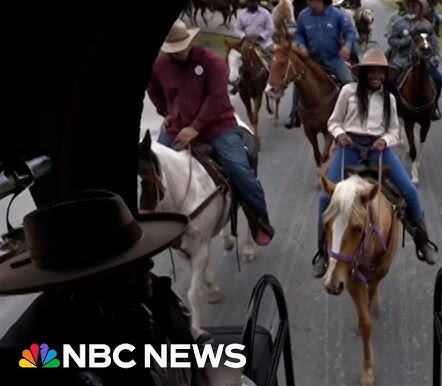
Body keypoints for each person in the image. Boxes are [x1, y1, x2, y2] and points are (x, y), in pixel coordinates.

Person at [0, 190, 213, 384]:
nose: (150, 263)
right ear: (84, 279)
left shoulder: (153, 295)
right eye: (127, 261)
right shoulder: (33, 357)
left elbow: (194, 352)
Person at [311, 48, 438, 278]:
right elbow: (333, 121)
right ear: (364, 73)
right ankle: (321, 251)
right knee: (325, 196)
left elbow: (394, 132)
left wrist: (384, 140)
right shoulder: (348, 92)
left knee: (409, 190)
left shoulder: (389, 98)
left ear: (385, 75)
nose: (375, 77)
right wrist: (340, 135)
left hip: (378, 150)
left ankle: (423, 240)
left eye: (380, 73)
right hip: (349, 146)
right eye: (371, 72)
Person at [148, 19, 274, 246]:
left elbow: (217, 98)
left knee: (240, 170)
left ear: (190, 41)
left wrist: (195, 128)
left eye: (183, 47)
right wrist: (166, 113)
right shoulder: (160, 66)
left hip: (218, 126)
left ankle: (259, 220)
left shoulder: (212, 62)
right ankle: (157, 221)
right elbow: (153, 90)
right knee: (151, 167)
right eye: (175, 50)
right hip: (178, 126)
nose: (180, 53)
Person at [283, 0, 357, 129]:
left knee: (349, 82)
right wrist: (302, 46)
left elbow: (350, 31)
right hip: (313, 60)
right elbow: (299, 34)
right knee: (299, 80)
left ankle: (354, 114)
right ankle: (294, 112)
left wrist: (347, 46)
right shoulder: (303, 15)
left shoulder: (337, 14)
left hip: (334, 58)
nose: (309, 2)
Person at [387, 0, 442, 121]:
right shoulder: (399, 24)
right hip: (402, 60)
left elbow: (434, 44)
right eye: (409, 5)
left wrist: (435, 56)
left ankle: (434, 106)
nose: (412, 8)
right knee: (390, 81)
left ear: (420, 7)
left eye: (415, 5)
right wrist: (404, 42)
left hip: (424, 61)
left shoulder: (427, 25)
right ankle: (391, 109)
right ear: (406, 7)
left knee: (439, 80)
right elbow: (391, 40)